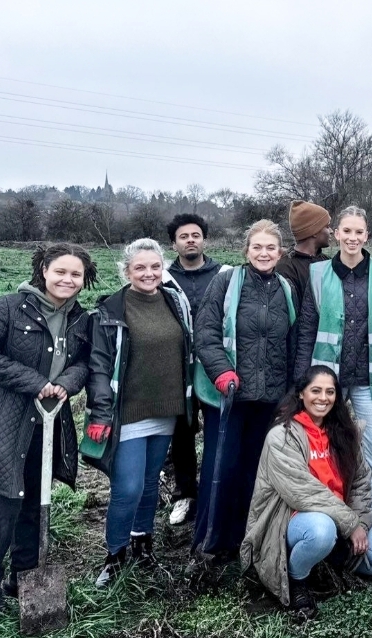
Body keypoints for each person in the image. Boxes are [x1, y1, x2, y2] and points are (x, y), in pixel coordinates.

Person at [0, 244, 98, 616]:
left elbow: (86, 362)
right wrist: (34, 381)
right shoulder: (10, 306)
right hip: (3, 422)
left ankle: (24, 576)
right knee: (3, 506)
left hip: (47, 425)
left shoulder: (81, 319)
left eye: (76, 274)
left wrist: (68, 383)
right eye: (61, 271)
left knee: (34, 504)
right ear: (44, 269)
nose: (68, 280)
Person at [293, 206, 372, 571]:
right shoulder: (318, 274)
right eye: (346, 231)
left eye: (359, 232)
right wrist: (303, 387)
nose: (352, 237)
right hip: (327, 386)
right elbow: (307, 334)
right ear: (336, 233)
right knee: (324, 459)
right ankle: (333, 536)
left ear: (367, 236)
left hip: (370, 381)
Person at [241, 365, 372, 621]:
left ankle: (327, 560)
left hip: (342, 517)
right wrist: (350, 525)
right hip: (293, 520)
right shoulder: (282, 435)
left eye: (330, 392)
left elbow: (361, 482)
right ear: (301, 394)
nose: (323, 398)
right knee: (321, 530)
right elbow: (303, 493)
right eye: (315, 390)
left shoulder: (343, 431)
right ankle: (297, 581)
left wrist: (359, 522)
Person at [83, 238, 194, 587]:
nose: (149, 274)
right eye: (140, 268)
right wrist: (100, 412)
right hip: (128, 412)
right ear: (127, 271)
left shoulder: (175, 302)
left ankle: (143, 546)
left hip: (167, 409)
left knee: (149, 485)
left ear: (164, 268)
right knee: (127, 487)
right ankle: (115, 556)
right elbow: (99, 366)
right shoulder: (112, 310)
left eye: (155, 267)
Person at [191, 219, 297, 562]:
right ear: (246, 251)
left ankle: (245, 537)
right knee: (220, 468)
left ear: (280, 253)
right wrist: (222, 373)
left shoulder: (286, 288)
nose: (264, 253)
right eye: (257, 247)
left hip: (270, 397)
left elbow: (292, 341)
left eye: (270, 248)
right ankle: (210, 541)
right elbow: (205, 333)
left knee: (255, 469)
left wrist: (292, 391)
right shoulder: (226, 282)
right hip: (231, 395)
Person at [164, 213, 223, 526]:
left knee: (217, 427)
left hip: (215, 366)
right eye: (183, 236)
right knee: (182, 430)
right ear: (174, 243)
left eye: (195, 235)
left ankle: (216, 492)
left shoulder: (224, 274)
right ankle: (185, 493)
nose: (190, 240)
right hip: (177, 367)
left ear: (204, 239)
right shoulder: (161, 277)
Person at [276, 199, 332, 314]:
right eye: (327, 226)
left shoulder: (327, 261)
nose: (330, 231)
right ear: (314, 231)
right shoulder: (286, 268)